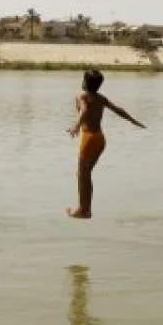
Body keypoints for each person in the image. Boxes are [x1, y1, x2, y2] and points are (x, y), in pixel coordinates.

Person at [65, 69, 146, 219]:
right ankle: (86, 209)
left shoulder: (81, 96)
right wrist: (133, 120)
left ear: (84, 82)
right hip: (100, 139)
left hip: (88, 139)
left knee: (83, 174)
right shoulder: (101, 98)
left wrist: (76, 124)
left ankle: (83, 210)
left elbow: (84, 110)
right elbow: (118, 110)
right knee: (84, 174)